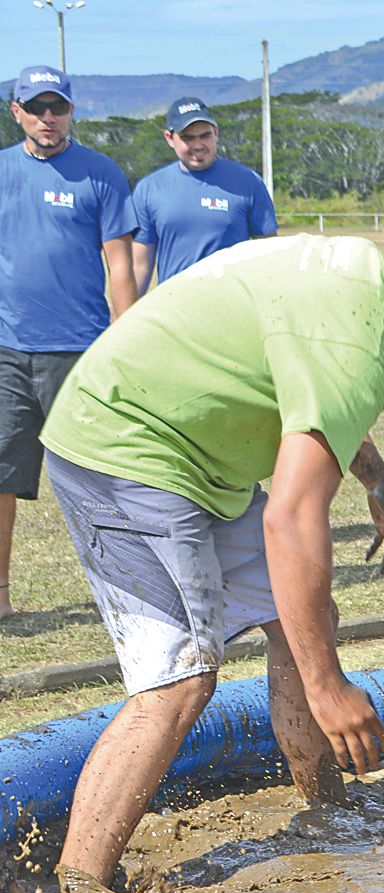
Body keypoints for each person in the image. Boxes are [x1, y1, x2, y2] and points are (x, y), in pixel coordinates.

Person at [37, 213, 384, 893]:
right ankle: (81, 890)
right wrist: (328, 688)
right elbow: (292, 518)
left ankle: (328, 809)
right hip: (126, 450)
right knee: (180, 680)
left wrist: (375, 477)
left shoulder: (357, 278)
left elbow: (306, 384)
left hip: (195, 458)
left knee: (304, 623)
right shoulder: (355, 343)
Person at [1, 65, 136, 622]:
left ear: (72, 111)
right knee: (0, 477)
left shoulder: (100, 173)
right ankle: (0, 595)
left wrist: (127, 339)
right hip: (7, 350)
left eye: (57, 107)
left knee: (97, 476)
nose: (47, 117)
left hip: (80, 351)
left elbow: (120, 265)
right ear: (17, 112)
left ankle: (127, 593)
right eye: (36, 107)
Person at [130, 97, 276, 292]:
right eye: (187, 138)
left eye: (205, 136)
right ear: (169, 138)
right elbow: (140, 266)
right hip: (175, 304)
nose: (198, 145)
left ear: (216, 132)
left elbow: (269, 256)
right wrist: (127, 309)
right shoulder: (149, 189)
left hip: (232, 303)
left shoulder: (248, 182)